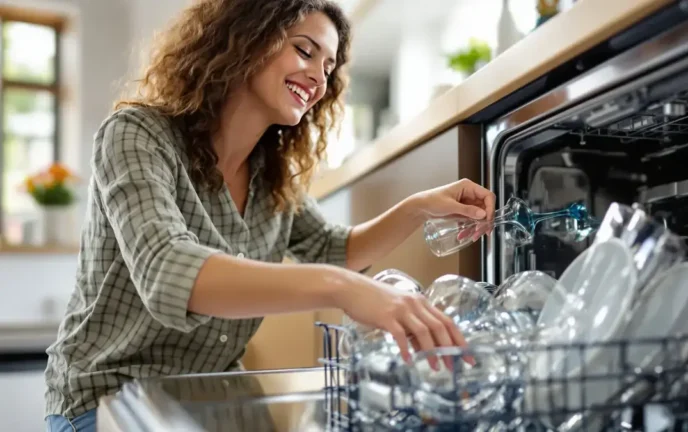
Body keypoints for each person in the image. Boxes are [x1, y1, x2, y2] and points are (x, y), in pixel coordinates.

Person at [43, 0, 496, 430]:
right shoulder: (136, 135)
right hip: (107, 399)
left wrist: (418, 207)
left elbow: (335, 249)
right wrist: (344, 288)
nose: (318, 78)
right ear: (247, 37)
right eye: (305, 51)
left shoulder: (271, 175)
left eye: (328, 68)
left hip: (206, 397)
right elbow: (167, 271)